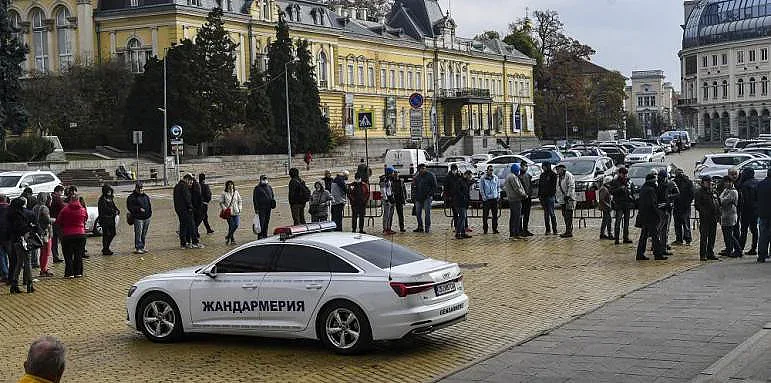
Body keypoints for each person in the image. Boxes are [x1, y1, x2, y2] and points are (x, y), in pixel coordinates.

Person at [57, 191, 88, 279]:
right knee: (78, 254)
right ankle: (78, 272)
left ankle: (69, 273)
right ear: (78, 200)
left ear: (70, 200)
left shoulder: (65, 210)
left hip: (67, 235)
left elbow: (59, 221)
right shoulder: (82, 210)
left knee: (68, 255)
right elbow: (85, 219)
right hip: (80, 234)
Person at [8, 197, 35, 293]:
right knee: (27, 262)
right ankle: (29, 284)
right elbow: (28, 226)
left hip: (15, 240)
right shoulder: (24, 215)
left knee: (19, 262)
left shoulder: (10, 214)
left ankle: (14, 284)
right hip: (24, 240)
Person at [636, 173, 664, 261]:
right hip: (651, 216)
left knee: (644, 236)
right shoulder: (651, 190)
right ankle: (658, 254)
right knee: (654, 236)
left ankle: (640, 254)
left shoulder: (644, 188)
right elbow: (652, 204)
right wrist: (658, 213)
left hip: (644, 216)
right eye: (655, 180)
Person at [694, 175, 721, 261]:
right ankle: (703, 254)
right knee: (704, 236)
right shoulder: (699, 192)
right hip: (705, 218)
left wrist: (718, 213)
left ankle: (710, 252)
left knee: (712, 236)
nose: (709, 183)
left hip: (714, 217)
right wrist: (704, 212)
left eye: (710, 181)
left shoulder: (713, 191)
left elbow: (718, 202)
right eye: (707, 182)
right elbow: (697, 205)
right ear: (703, 182)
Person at [656, 169, 680, 256]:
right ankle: (660, 247)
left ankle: (663, 247)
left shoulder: (670, 183)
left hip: (666, 208)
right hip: (660, 209)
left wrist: (669, 197)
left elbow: (677, 193)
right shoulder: (657, 184)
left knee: (664, 230)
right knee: (661, 229)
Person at [609, 167, 634, 244]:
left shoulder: (628, 181)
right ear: (619, 173)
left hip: (627, 204)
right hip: (619, 204)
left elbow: (631, 191)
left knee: (626, 222)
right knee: (618, 222)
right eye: (624, 174)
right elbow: (611, 191)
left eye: (626, 174)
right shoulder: (615, 181)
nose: (625, 176)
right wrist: (620, 189)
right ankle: (617, 239)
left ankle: (625, 237)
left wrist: (631, 193)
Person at [719, 175, 742, 258]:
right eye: (725, 182)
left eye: (728, 182)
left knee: (729, 234)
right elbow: (720, 198)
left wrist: (721, 199)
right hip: (724, 214)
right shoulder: (726, 190)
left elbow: (723, 200)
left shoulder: (733, 191)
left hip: (730, 215)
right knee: (726, 234)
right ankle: (728, 249)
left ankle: (738, 250)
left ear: (731, 182)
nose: (726, 184)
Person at [738, 168, 759, 256]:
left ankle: (740, 248)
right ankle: (754, 248)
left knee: (744, 230)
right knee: (754, 230)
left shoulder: (744, 185)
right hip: (755, 209)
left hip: (746, 211)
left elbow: (745, 200)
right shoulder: (757, 182)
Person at [126, 182, 152, 254]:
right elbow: (130, 207)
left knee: (144, 233)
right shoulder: (132, 197)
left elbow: (149, 205)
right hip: (138, 218)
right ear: (136, 188)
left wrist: (149, 213)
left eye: (142, 188)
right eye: (139, 188)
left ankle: (142, 246)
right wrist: (138, 209)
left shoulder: (145, 196)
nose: (141, 189)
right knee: (138, 233)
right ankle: (138, 247)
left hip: (147, 217)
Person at [32, 193, 53, 277]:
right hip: (45, 233)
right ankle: (44, 269)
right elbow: (48, 221)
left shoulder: (35, 207)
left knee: (42, 252)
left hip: (38, 231)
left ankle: (43, 267)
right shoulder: (44, 208)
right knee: (47, 252)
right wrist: (54, 220)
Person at [503, 163, 527, 239]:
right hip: (515, 199)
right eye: (518, 170)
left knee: (513, 217)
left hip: (512, 199)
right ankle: (515, 234)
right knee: (516, 217)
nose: (519, 171)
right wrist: (524, 194)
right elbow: (517, 188)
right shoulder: (513, 177)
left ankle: (513, 233)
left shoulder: (509, 176)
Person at [672, 168, 695, 246]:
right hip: (681, 205)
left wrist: (688, 202)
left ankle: (683, 239)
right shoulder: (686, 182)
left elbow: (692, 194)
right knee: (683, 223)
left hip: (682, 205)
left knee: (683, 223)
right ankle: (683, 239)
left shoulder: (685, 182)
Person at [412, 163, 437, 233]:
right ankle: (420, 227)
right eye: (421, 169)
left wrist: (430, 194)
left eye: (423, 168)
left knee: (427, 213)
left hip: (427, 197)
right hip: (418, 197)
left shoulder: (430, 175)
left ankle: (427, 227)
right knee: (418, 213)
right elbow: (414, 187)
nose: (422, 170)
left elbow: (434, 186)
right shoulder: (417, 176)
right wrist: (414, 196)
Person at [173, 174, 196, 249]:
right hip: (186, 210)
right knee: (191, 226)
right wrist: (190, 207)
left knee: (183, 226)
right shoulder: (184, 186)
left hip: (179, 209)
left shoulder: (177, 186)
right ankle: (195, 242)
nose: (190, 182)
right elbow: (187, 198)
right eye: (190, 180)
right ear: (187, 179)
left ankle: (183, 243)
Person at [97, 184, 119, 255]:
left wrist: (117, 210)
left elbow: (114, 206)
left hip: (111, 218)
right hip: (105, 219)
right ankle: (105, 249)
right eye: (108, 191)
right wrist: (113, 211)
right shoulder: (102, 199)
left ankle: (106, 247)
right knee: (106, 235)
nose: (109, 192)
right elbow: (104, 209)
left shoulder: (110, 198)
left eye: (110, 191)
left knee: (113, 233)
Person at [555, 164, 576, 238]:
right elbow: (558, 187)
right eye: (557, 170)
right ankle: (568, 230)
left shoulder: (568, 175)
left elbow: (571, 186)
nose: (557, 171)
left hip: (569, 199)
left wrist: (568, 195)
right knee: (565, 215)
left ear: (563, 169)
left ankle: (568, 231)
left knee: (568, 215)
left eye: (559, 169)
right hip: (562, 199)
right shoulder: (559, 177)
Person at [252, 175, 276, 239]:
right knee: (261, 222)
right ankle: (260, 235)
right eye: (263, 179)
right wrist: (256, 208)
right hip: (261, 208)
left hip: (268, 207)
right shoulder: (257, 188)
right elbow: (255, 199)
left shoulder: (269, 187)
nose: (265, 180)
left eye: (265, 179)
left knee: (266, 221)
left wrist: (272, 202)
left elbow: (272, 195)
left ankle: (265, 234)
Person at [220, 180, 242, 245]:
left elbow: (240, 201)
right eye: (229, 184)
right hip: (228, 213)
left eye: (231, 184)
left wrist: (240, 208)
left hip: (236, 211)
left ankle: (228, 236)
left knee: (236, 225)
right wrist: (225, 209)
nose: (230, 185)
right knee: (231, 225)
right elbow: (221, 202)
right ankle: (232, 240)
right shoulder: (224, 193)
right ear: (227, 186)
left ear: (233, 185)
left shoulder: (236, 192)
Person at [538, 162, 558, 235]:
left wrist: (551, 194)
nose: (543, 168)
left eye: (544, 166)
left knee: (551, 213)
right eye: (543, 167)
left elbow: (554, 187)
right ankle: (547, 229)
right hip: (543, 197)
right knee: (546, 214)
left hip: (550, 197)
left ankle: (555, 229)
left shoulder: (553, 175)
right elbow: (540, 186)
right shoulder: (542, 175)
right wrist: (539, 195)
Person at [480, 165, 500, 235]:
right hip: (487, 200)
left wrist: (498, 195)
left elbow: (498, 187)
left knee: (495, 215)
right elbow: (481, 189)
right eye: (490, 170)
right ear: (487, 170)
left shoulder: (495, 178)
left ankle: (495, 229)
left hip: (494, 199)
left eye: (492, 170)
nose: (491, 171)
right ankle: (485, 229)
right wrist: (484, 198)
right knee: (485, 215)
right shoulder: (483, 178)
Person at [756, 170, 771, 262]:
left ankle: (762, 255)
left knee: (762, 235)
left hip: (762, 213)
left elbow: (756, 197)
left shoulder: (760, 184)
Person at [454, 170, 473, 239]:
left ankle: (462, 233)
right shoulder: (460, 181)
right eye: (470, 176)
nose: (470, 177)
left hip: (464, 202)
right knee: (462, 217)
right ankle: (458, 233)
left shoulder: (465, 181)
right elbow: (458, 191)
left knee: (463, 218)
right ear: (466, 175)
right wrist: (464, 197)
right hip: (459, 202)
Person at [49, 185, 65, 263]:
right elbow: (63, 208)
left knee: (54, 241)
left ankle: (55, 256)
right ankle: (62, 255)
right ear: (58, 191)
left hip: (52, 222)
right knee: (62, 239)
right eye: (61, 192)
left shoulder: (50, 198)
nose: (62, 193)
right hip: (58, 222)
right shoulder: (57, 199)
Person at [519, 162, 534, 237]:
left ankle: (525, 229)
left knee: (527, 215)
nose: (524, 168)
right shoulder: (518, 176)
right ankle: (520, 229)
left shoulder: (528, 176)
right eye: (523, 166)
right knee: (521, 214)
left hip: (528, 198)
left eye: (525, 166)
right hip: (522, 198)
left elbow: (530, 186)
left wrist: (530, 194)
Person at [444, 164, 461, 231]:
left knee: (462, 213)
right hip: (452, 197)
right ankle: (456, 227)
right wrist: (448, 196)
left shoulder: (459, 176)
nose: (455, 171)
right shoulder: (448, 177)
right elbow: (446, 187)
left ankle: (463, 226)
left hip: (459, 197)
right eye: (453, 170)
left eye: (455, 169)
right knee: (455, 213)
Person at [380, 167, 396, 234]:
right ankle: (385, 229)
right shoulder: (384, 179)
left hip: (390, 198)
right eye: (392, 172)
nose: (393, 174)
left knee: (390, 215)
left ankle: (389, 228)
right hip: (387, 199)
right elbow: (383, 190)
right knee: (386, 215)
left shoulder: (389, 179)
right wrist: (386, 199)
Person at [190, 178, 204, 246]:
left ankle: (194, 236)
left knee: (194, 225)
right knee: (194, 225)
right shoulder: (196, 190)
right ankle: (194, 239)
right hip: (196, 210)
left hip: (194, 210)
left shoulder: (190, 189)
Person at [0, 195, 9, 284]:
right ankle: (10, 273)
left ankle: (5, 273)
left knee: (1, 255)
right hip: (8, 235)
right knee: (10, 255)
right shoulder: (9, 208)